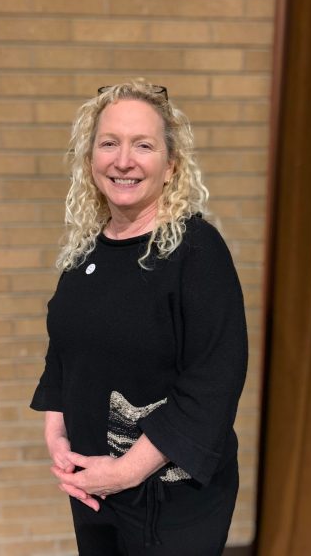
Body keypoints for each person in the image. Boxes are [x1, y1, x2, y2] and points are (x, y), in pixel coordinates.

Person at [30, 80, 248, 556]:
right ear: (91, 161)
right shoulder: (87, 252)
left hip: (169, 496)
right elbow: (64, 348)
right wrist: (56, 430)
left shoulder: (197, 251)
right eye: (109, 143)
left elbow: (215, 379)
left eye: (142, 145)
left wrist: (127, 471)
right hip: (96, 490)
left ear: (171, 167)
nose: (122, 160)